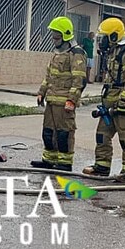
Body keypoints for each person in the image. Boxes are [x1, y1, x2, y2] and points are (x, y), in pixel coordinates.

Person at [83, 17, 125, 183]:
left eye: (105, 37)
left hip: (123, 104)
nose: (102, 41)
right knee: (102, 135)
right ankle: (102, 167)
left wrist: (123, 102)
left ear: (114, 36)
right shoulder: (113, 51)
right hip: (109, 102)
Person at [32, 17, 88, 172]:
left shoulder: (76, 54)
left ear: (65, 35)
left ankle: (65, 163)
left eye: (57, 36)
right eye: (53, 35)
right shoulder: (56, 53)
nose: (54, 38)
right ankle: (49, 160)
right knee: (48, 132)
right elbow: (48, 76)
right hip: (51, 100)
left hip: (64, 102)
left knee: (64, 134)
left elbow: (79, 80)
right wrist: (41, 92)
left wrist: (72, 100)